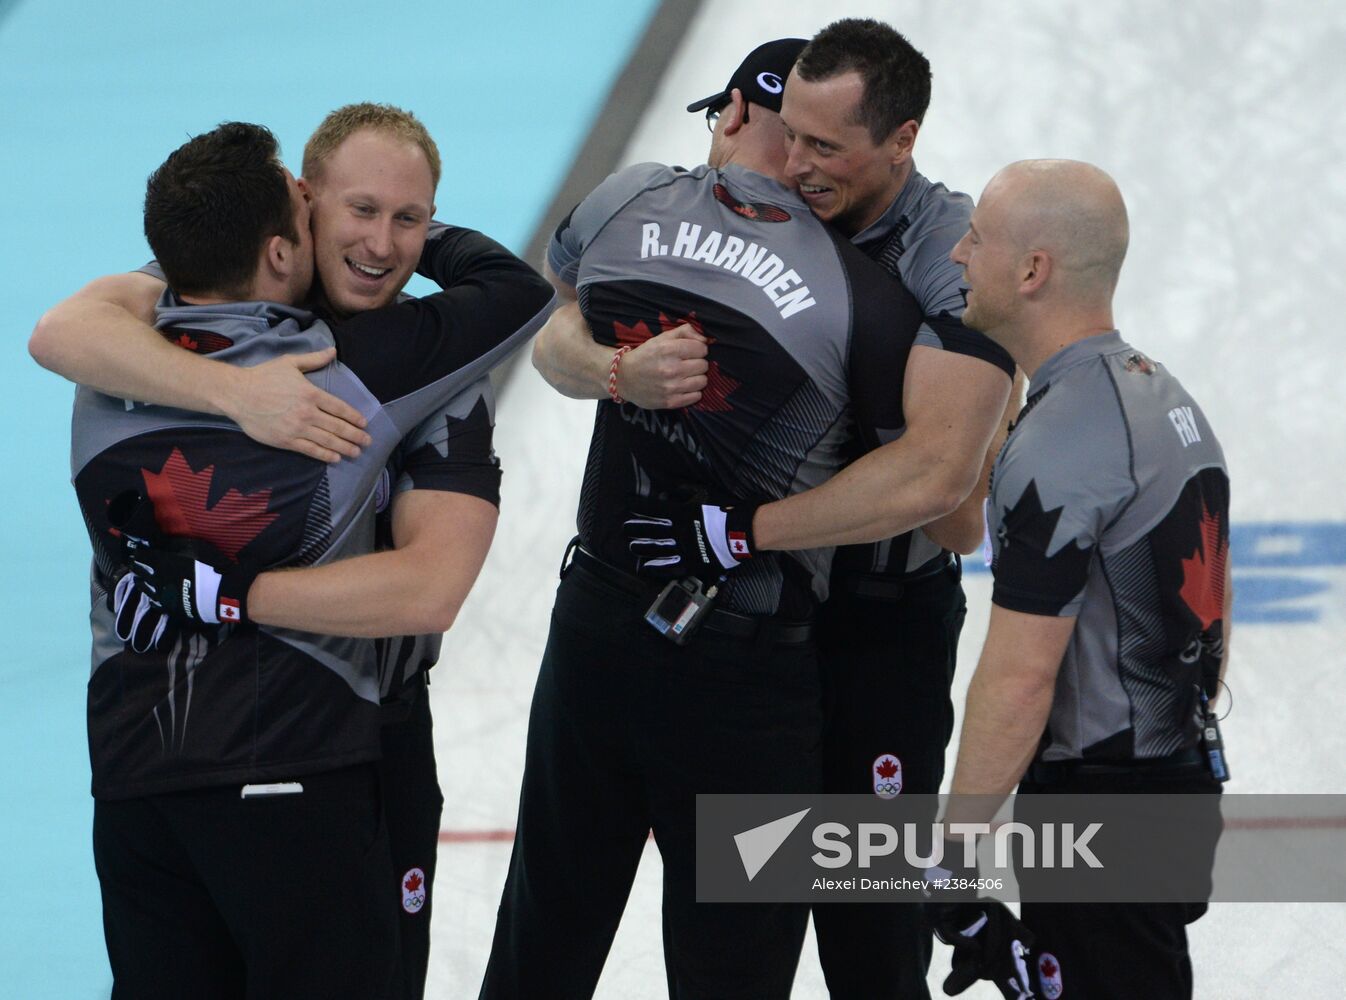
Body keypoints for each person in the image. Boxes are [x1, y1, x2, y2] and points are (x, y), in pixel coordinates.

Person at [532, 21, 1018, 998]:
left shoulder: (944, 259)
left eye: (824, 148)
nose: (791, 166)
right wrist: (617, 370)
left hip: (871, 635)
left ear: (901, 141)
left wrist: (747, 528)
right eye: (785, 133)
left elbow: (956, 512)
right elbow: (558, 323)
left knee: (868, 939)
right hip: (738, 645)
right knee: (720, 923)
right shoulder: (730, 210)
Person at [29, 103, 529, 999]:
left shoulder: (131, 339)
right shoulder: (403, 358)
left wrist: (222, 592)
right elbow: (428, 589)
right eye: (359, 212)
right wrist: (237, 399)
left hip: (142, 764)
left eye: (408, 218)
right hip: (312, 758)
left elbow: (56, 332)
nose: (381, 244)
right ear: (298, 212)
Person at [942, 159, 1231, 999]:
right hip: (1172, 772)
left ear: (1034, 270)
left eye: (978, 237)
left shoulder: (1067, 437)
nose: (958, 253)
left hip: (1101, 807)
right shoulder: (1156, 395)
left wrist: (954, 857)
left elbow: (1022, 675)